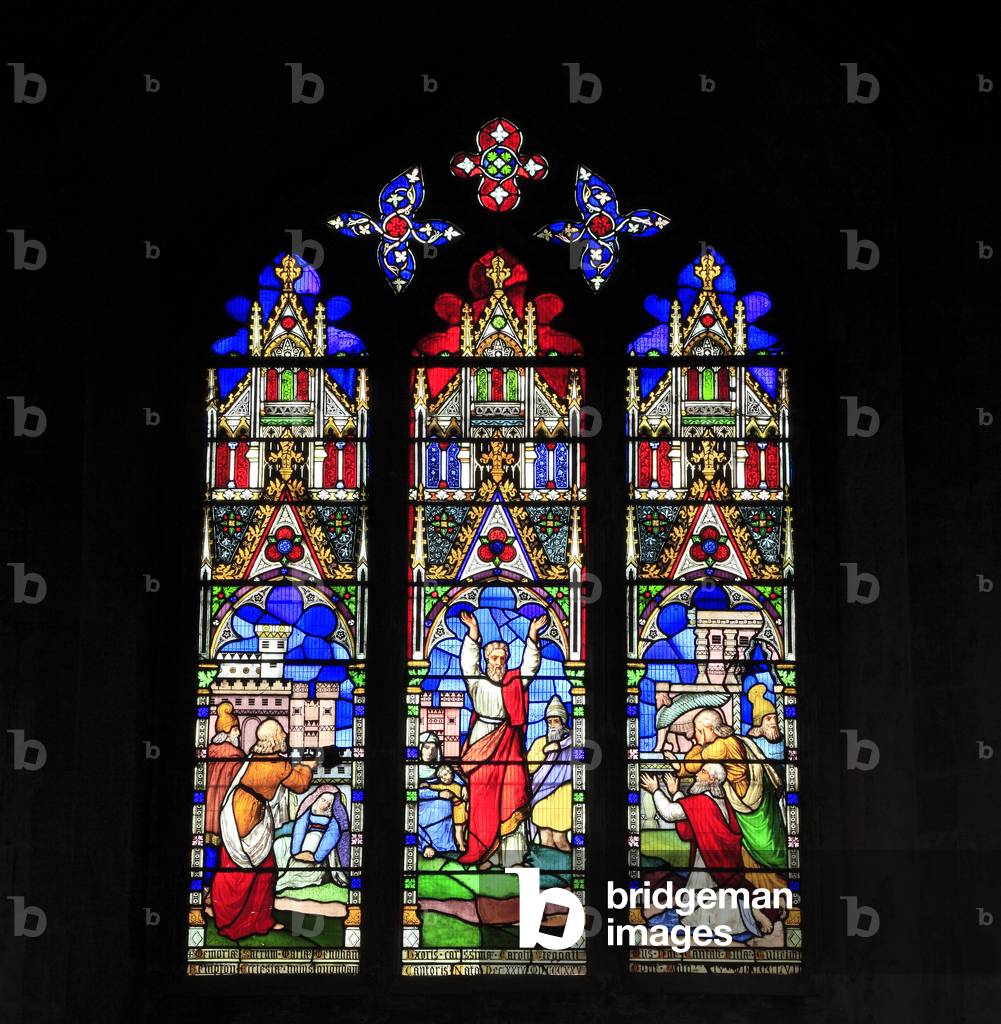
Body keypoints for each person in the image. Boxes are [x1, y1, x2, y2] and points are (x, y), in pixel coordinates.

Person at [639, 763, 779, 938]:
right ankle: (754, 910)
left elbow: (669, 813)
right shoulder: (722, 802)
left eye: (703, 772)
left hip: (709, 865)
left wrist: (655, 790)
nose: (697, 774)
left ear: (712, 779)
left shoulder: (703, 802)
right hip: (713, 862)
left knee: (709, 906)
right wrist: (675, 792)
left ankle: (755, 913)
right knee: (698, 899)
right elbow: (693, 816)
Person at [456, 607, 546, 868]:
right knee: (483, 802)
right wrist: (473, 634)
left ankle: (511, 857)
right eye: (494, 658)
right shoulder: (477, 682)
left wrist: (532, 635)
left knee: (512, 796)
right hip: (482, 742)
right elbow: (467, 663)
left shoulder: (513, 683)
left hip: (509, 744)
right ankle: (484, 854)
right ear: (486, 660)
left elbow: (530, 667)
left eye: (502, 658)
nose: (498, 663)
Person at [213, 719, 317, 939]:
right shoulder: (277, 764)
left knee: (240, 865)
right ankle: (243, 919)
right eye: (281, 734)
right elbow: (299, 784)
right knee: (254, 869)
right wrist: (309, 766)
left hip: (238, 809)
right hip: (248, 816)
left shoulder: (257, 755)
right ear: (274, 738)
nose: (285, 736)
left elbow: (284, 775)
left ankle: (255, 919)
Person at [674, 707, 787, 874]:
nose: (696, 736)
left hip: (749, 806)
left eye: (698, 731)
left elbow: (689, 766)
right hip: (752, 801)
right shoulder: (733, 740)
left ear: (710, 729)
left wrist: (691, 755)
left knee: (768, 847)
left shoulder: (719, 746)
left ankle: (781, 878)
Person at [526, 695, 573, 852]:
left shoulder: (572, 743)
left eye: (556, 721)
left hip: (563, 795)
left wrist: (562, 747)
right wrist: (545, 751)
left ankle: (570, 874)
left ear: (563, 723)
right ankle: (548, 876)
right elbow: (529, 768)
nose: (552, 725)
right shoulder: (540, 743)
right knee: (545, 840)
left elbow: (586, 761)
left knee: (560, 839)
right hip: (541, 796)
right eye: (549, 721)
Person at [417, 731, 462, 857]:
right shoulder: (411, 770)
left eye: (433, 748)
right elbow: (412, 793)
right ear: (420, 748)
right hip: (422, 814)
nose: (430, 752)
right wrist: (437, 794)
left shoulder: (441, 768)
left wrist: (463, 789)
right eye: (426, 747)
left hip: (444, 819)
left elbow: (457, 780)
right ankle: (424, 846)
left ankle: (447, 848)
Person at [205, 702, 244, 840]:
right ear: (226, 732)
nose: (238, 733)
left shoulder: (209, 752)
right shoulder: (235, 756)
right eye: (235, 730)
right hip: (226, 802)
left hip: (209, 803)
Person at [746, 684, 785, 760]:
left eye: (775, 718)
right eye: (768, 718)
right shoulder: (750, 742)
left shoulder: (783, 739)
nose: (774, 722)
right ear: (759, 722)